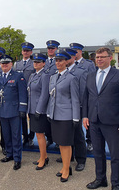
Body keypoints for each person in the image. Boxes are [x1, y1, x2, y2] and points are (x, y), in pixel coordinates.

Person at [83, 47, 119, 190]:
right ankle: (101, 179)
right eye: (97, 57)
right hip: (94, 121)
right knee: (98, 153)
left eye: (102, 57)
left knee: (116, 155)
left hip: (113, 123)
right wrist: (85, 115)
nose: (98, 59)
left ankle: (115, 184)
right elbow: (87, 97)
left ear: (110, 58)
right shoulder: (91, 75)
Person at [47, 50, 80, 182]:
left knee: (66, 144)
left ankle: (67, 169)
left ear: (66, 62)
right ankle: (65, 167)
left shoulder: (72, 78)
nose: (58, 63)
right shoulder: (53, 77)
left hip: (66, 116)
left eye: (61, 60)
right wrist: (49, 112)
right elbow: (52, 97)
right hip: (55, 115)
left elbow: (75, 99)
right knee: (60, 143)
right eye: (56, 60)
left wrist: (76, 117)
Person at [0, 55, 28, 171]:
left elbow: (23, 94)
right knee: (6, 135)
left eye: (7, 63)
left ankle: (17, 159)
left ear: (11, 64)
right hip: (2, 110)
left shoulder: (18, 76)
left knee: (16, 135)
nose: (5, 65)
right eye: (3, 63)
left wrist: (22, 109)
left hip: (14, 111)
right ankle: (9, 154)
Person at [64, 48, 88, 172]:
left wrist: (82, 110)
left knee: (78, 135)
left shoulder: (80, 72)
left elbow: (83, 92)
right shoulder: (61, 71)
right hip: (64, 109)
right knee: (67, 134)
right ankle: (70, 156)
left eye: (68, 58)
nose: (65, 60)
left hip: (76, 108)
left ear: (74, 58)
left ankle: (81, 159)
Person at [70, 42, 96, 152]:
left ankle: (89, 141)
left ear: (80, 52)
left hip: (85, 97)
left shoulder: (88, 64)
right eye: (72, 52)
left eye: (76, 51)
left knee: (87, 121)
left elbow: (92, 81)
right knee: (75, 124)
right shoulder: (69, 64)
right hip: (73, 99)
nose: (74, 54)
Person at [27, 53, 50, 170]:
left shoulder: (45, 76)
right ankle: (44, 156)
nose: (35, 64)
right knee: (37, 134)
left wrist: (39, 110)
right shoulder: (32, 76)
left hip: (39, 111)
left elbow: (44, 94)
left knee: (40, 135)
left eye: (38, 62)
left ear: (44, 63)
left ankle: (43, 159)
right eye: (34, 62)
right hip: (32, 109)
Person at [13, 42, 35, 146]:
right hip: (19, 93)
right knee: (21, 116)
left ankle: (31, 137)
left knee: (32, 116)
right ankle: (24, 136)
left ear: (31, 52)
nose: (25, 52)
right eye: (24, 50)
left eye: (28, 51)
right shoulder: (17, 64)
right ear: (22, 52)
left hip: (31, 93)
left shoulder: (34, 63)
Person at [44, 40, 60, 148]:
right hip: (45, 94)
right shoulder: (42, 61)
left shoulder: (60, 61)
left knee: (57, 118)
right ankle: (49, 138)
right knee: (46, 118)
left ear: (56, 49)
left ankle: (59, 141)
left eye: (52, 48)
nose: (50, 50)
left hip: (57, 93)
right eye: (49, 48)